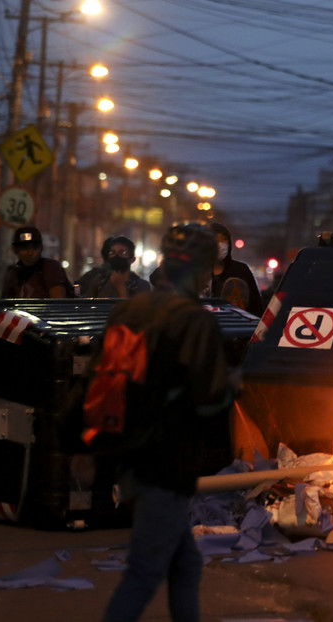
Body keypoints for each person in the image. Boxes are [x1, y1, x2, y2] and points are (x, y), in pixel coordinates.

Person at [99, 222, 235, 622]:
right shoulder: (195, 321)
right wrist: (233, 388)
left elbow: (108, 385)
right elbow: (209, 402)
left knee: (185, 565)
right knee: (143, 574)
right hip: (167, 465)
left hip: (133, 460)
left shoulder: (131, 311)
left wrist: (92, 448)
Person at [2, 226, 73, 298]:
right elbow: (7, 303)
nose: (30, 252)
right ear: (15, 250)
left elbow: (57, 303)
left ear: (41, 249)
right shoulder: (13, 274)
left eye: (35, 247)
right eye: (24, 248)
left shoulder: (50, 268)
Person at [209, 222, 262, 316]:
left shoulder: (241, 271)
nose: (220, 244)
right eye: (215, 239)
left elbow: (256, 307)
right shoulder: (197, 272)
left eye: (224, 240)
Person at [77, 236, 151, 298]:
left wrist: (121, 288)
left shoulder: (141, 286)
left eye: (122, 253)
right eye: (113, 252)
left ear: (132, 259)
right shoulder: (99, 282)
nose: (116, 256)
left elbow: (135, 312)